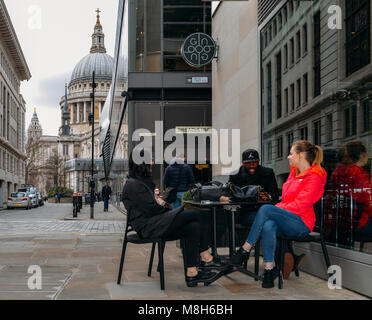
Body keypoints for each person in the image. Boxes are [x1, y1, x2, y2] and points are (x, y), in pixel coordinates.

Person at [230, 140, 327, 288]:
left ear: (300, 155)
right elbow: (286, 200)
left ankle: (245, 249)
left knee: (266, 209)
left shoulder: (314, 177)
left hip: (302, 223)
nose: (288, 157)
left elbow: (300, 205)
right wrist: (279, 208)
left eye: (291, 153)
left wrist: (278, 208)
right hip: (288, 219)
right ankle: (269, 269)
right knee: (268, 225)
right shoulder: (293, 174)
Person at [122, 150, 223, 287]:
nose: (152, 164)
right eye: (149, 161)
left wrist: (163, 203)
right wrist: (167, 206)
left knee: (192, 227)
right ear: (142, 164)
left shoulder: (140, 182)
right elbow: (152, 209)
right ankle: (206, 257)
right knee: (197, 214)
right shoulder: (134, 184)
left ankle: (192, 273)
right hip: (149, 227)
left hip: (155, 222)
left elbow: (151, 206)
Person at [324, 141, 371, 247]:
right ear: (363, 155)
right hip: (356, 224)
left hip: (339, 224)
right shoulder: (359, 176)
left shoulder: (337, 173)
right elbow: (368, 206)